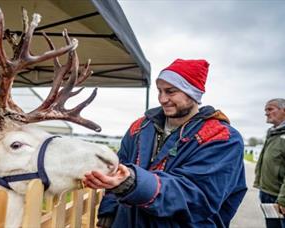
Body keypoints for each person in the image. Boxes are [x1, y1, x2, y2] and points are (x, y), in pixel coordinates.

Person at [83, 59, 247, 227]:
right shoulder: (140, 126)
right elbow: (117, 169)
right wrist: (109, 211)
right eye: (159, 91)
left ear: (193, 92)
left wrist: (133, 183)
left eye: (170, 91)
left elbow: (198, 196)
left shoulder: (222, 137)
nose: (162, 99)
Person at [254, 98, 285, 228]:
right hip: (267, 193)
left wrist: (283, 199)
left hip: (280, 197)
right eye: (266, 110)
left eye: (270, 109)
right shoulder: (273, 133)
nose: (266, 113)